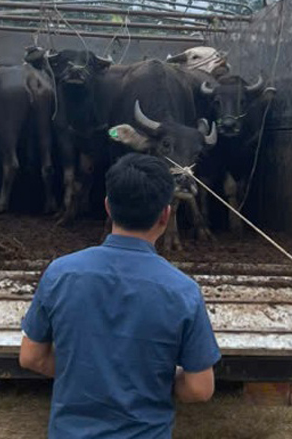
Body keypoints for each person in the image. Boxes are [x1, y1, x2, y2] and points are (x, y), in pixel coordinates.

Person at [19, 153, 221, 438]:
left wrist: (89, 377)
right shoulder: (182, 291)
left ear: (107, 207)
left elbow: (31, 357)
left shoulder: (60, 273)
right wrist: (152, 381)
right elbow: (200, 388)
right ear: (166, 214)